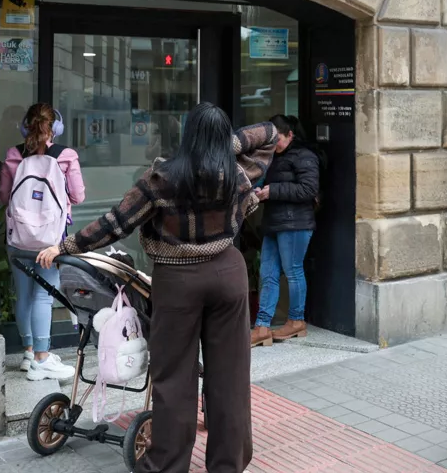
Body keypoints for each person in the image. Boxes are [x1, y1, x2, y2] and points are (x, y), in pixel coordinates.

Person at [35, 102, 277, 473]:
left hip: (177, 281)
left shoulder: (161, 177)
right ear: (223, 138)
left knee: (174, 378)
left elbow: (115, 222)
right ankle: (227, 466)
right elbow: (270, 135)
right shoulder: (238, 173)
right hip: (228, 274)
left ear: (187, 135)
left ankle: (167, 464)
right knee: (229, 378)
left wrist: (65, 246)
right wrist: (221, 146)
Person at [0, 103, 85, 382]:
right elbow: (79, 195)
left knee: (23, 295)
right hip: (49, 240)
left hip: (18, 238)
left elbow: (4, 197)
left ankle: (28, 352)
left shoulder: (14, 154)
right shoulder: (66, 155)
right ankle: (42, 358)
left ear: (25, 127)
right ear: (56, 129)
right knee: (43, 296)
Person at [251, 115, 321, 347]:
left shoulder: (305, 156)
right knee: (267, 274)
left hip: (295, 224)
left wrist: (274, 191)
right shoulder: (271, 156)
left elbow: (309, 189)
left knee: (293, 272)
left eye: (277, 139)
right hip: (274, 222)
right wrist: (259, 191)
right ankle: (262, 327)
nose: (274, 144)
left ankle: (296, 321)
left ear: (290, 135)